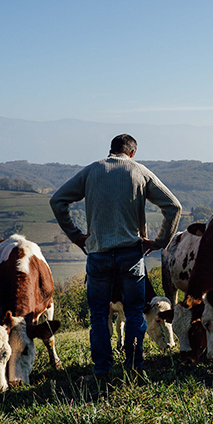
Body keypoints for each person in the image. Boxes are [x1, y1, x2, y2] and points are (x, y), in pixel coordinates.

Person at [50, 134, 181, 378]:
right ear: (132, 153)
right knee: (133, 313)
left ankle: (102, 371)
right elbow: (174, 207)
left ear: (110, 150)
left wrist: (76, 236)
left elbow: (58, 200)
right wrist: (160, 241)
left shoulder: (91, 171)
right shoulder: (139, 171)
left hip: (98, 254)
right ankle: (133, 368)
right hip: (131, 255)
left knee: (99, 316)